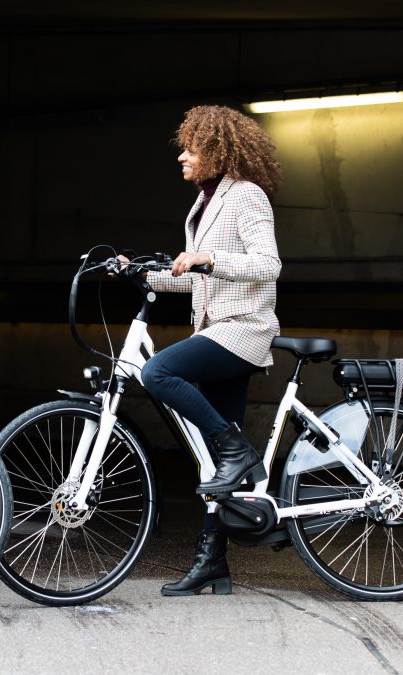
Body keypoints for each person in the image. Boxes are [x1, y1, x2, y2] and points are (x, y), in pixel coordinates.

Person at [131, 104, 282, 597]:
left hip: (241, 330)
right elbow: (197, 278)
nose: (182, 156)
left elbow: (267, 265)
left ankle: (239, 450)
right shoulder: (204, 203)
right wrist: (136, 271)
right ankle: (213, 563)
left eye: (191, 147)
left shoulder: (247, 197)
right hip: (217, 324)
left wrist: (208, 256)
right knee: (215, 468)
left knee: (157, 373)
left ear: (216, 149)